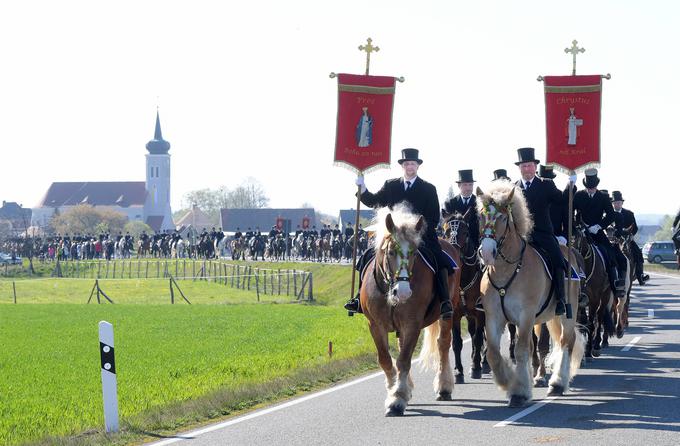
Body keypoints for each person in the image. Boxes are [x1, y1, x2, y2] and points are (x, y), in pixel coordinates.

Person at [343, 148, 455, 319]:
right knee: (366, 257)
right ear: (402, 166)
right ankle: (359, 298)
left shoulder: (429, 189)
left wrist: (415, 230)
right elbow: (374, 202)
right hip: (394, 236)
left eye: (413, 163)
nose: (410, 166)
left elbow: (433, 217)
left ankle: (445, 302)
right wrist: (363, 188)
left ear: (418, 166)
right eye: (407, 164)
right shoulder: (391, 185)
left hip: (420, 237)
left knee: (441, 261)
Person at [514, 148, 570, 317]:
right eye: (523, 166)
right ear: (519, 168)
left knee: (559, 260)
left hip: (543, 234)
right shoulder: (513, 188)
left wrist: (570, 185)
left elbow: (562, 200)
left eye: (529, 166)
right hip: (521, 236)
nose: (527, 169)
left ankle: (560, 298)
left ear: (535, 167)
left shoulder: (546, 184)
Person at [570, 168, 626, 298]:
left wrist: (599, 225)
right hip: (581, 232)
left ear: (596, 186)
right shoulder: (579, 195)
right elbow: (571, 212)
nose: (591, 190)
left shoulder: (603, 197)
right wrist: (578, 226)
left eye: (593, 188)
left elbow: (611, 215)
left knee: (610, 253)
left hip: (597, 232)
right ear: (586, 186)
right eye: (589, 188)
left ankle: (615, 284)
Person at [611, 191, 649, 285]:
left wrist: (631, 235)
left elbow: (635, 227)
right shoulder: (609, 214)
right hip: (613, 239)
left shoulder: (629, 214)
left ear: (622, 203)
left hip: (627, 238)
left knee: (638, 253)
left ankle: (640, 276)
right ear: (613, 203)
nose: (617, 204)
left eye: (619, 203)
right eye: (615, 203)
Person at [443, 169, 480, 248]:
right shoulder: (450, 203)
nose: (468, 188)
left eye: (470, 185)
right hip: (455, 244)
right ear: (459, 186)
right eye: (465, 185)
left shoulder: (479, 203)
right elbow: (448, 226)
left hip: (476, 243)